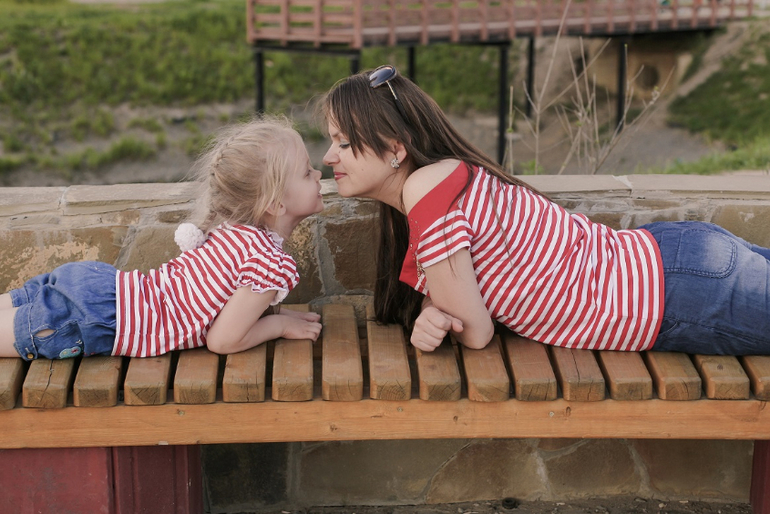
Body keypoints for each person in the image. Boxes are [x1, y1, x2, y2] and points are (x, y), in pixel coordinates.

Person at [321, 64, 770, 356]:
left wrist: (436, 318)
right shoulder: (443, 179)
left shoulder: (424, 192)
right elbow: (463, 288)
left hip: (674, 294)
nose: (329, 157)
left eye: (344, 143)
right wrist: (431, 308)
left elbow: (476, 333)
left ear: (396, 149)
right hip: (675, 262)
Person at [0, 115, 324, 360]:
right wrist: (280, 327)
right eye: (307, 172)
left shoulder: (236, 231)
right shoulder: (267, 262)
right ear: (275, 203)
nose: (319, 174)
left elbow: (229, 306)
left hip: (97, 287)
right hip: (93, 319)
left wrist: (279, 314)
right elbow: (222, 341)